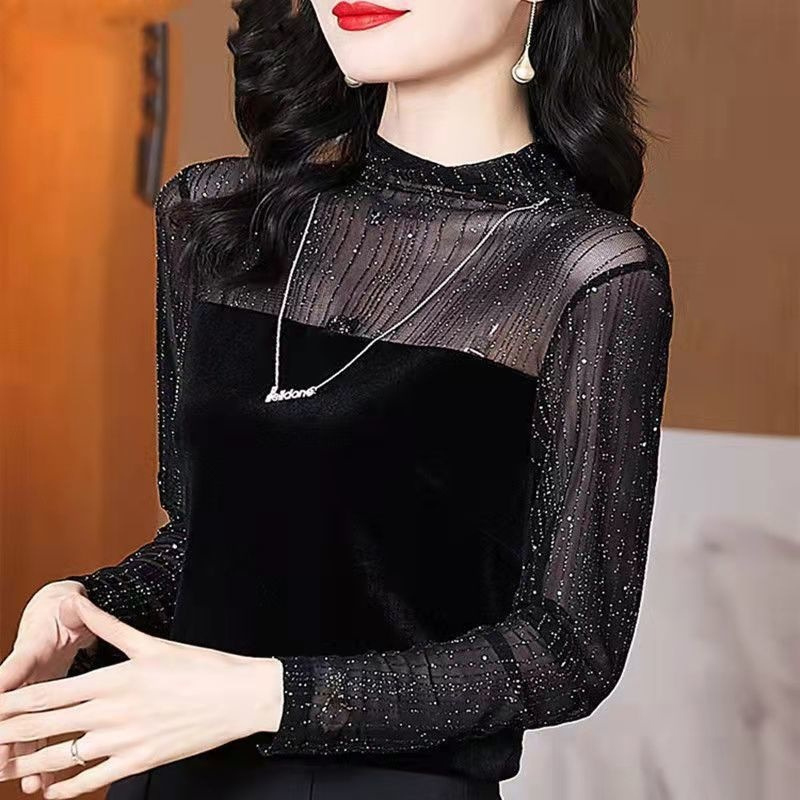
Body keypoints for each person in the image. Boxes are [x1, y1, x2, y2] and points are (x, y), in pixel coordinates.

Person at [0, 0, 674, 798]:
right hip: (175, 774)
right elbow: (208, 539)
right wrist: (85, 605)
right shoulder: (217, 219)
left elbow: (566, 649)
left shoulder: (586, 270)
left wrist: (270, 698)